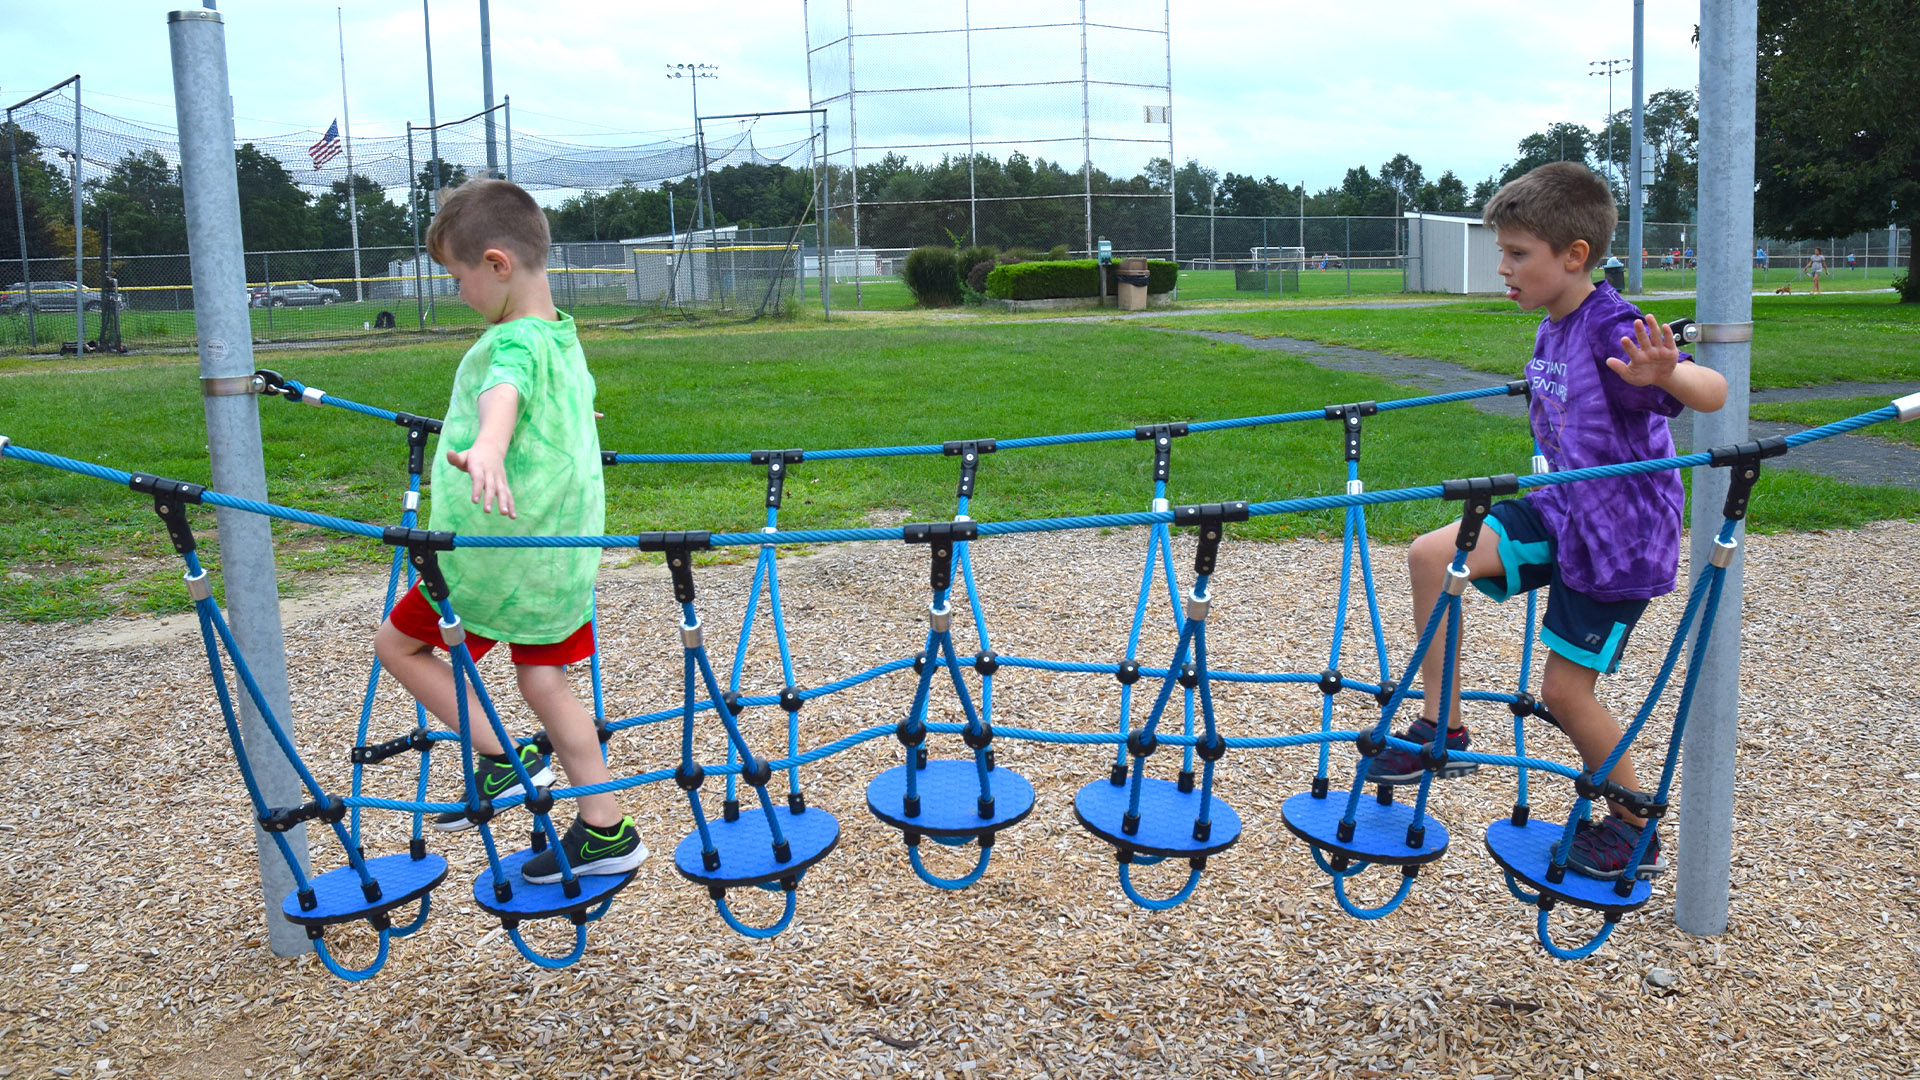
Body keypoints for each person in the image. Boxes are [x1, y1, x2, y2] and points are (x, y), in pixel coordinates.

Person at [1366, 162, 1728, 880]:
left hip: (1619, 542)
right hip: (1561, 510)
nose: (1502, 267)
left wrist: (1666, 374)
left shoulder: (1614, 328)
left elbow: (1711, 391)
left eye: (1517, 253)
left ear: (1574, 256)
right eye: (1502, 251)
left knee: (1565, 694)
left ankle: (1633, 826)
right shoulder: (1551, 327)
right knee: (1431, 556)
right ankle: (1444, 727)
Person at [372, 178, 646, 885]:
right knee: (543, 679)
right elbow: (552, 398)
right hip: (560, 558)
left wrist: (490, 444)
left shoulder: (516, 342)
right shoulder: (562, 332)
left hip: (493, 556)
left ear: (496, 265)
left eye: (457, 277)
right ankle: (606, 829)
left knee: (398, 644)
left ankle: (502, 753)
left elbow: (506, 390)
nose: (456, 292)